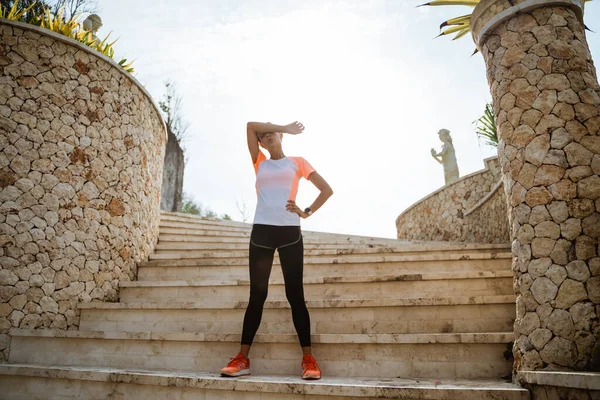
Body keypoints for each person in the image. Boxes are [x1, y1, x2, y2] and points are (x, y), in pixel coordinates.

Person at [220, 121, 333, 380]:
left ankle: (308, 359)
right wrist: (282, 125)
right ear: (260, 143)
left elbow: (327, 190)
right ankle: (242, 359)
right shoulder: (259, 160)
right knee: (257, 295)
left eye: (272, 133)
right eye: (263, 135)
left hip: (289, 233)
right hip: (261, 233)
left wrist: (306, 212)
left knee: (296, 294)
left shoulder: (298, 162)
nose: (267, 135)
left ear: (281, 137)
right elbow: (249, 125)